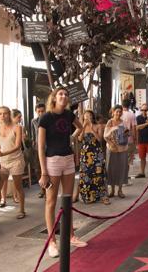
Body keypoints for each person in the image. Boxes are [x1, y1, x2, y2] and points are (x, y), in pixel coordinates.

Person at [38, 87, 87, 258]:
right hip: (52, 161)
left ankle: (71, 235)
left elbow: (81, 127)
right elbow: (40, 146)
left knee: (68, 201)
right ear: (54, 97)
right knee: (51, 201)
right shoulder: (46, 117)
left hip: (68, 159)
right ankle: (52, 241)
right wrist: (43, 171)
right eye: (61, 94)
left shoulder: (69, 115)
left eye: (66, 94)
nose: (64, 96)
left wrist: (72, 138)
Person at [0, 106, 26, 220]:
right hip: (3, 162)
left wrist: (2, 153)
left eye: (5, 114)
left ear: (9, 114)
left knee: (18, 187)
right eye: (0, 114)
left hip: (16, 160)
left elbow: (18, 146)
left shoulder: (17, 127)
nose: (2, 116)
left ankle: (22, 209)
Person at [78, 110, 110, 205]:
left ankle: (102, 196)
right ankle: (89, 196)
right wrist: (83, 126)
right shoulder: (82, 127)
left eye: (89, 115)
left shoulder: (98, 126)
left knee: (99, 174)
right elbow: (79, 139)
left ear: (92, 117)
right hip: (85, 153)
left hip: (96, 152)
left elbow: (100, 139)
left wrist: (91, 128)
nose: (87, 117)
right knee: (86, 174)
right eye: (85, 116)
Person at [104, 105, 130, 198]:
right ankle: (112, 190)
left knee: (122, 169)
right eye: (117, 111)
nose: (118, 113)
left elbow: (127, 134)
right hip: (112, 149)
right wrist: (111, 144)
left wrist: (127, 133)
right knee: (111, 169)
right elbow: (105, 136)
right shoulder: (110, 122)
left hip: (123, 149)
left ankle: (120, 190)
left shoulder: (123, 122)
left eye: (120, 111)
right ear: (113, 112)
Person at [136, 103, 148, 178]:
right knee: (142, 158)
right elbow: (137, 127)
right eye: (142, 110)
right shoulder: (138, 118)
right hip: (141, 141)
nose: (144, 111)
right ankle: (142, 172)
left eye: (145, 110)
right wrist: (146, 124)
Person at [32, 103, 46, 198]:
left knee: (48, 169)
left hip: (48, 147)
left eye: (42, 111)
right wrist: (33, 141)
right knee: (38, 169)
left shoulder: (49, 119)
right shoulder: (34, 121)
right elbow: (33, 133)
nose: (40, 113)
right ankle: (42, 189)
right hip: (38, 147)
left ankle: (48, 189)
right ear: (36, 112)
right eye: (39, 111)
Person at [121, 99, 137, 166]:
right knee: (129, 158)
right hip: (129, 138)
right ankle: (126, 174)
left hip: (120, 138)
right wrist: (135, 138)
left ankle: (122, 173)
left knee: (121, 157)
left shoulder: (119, 113)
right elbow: (134, 128)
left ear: (122, 105)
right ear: (129, 105)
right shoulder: (132, 115)